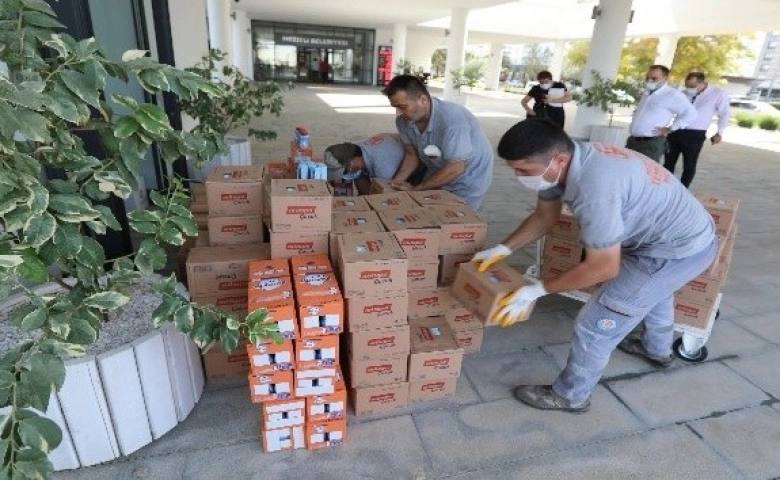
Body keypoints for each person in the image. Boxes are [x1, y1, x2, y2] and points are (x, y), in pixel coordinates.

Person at [472, 119, 717, 413]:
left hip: (675, 251)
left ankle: (571, 395)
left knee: (595, 326)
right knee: (653, 292)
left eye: (524, 171)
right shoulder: (565, 164)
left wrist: (535, 290)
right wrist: (503, 248)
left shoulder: (595, 187)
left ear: (558, 160)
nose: (518, 177)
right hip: (671, 237)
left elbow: (603, 268)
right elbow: (544, 218)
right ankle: (657, 350)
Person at [380, 74, 494, 211]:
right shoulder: (404, 122)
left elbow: (456, 168)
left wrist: (416, 190)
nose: (399, 112)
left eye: (403, 107)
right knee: (429, 215)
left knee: (458, 222)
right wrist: (395, 183)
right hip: (439, 170)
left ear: (423, 100)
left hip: (468, 178)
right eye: (395, 107)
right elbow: (412, 154)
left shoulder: (452, 122)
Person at [663, 72, 730, 188]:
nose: (689, 89)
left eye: (692, 86)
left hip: (695, 134)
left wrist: (719, 133)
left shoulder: (718, 94)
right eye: (687, 86)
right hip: (676, 131)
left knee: (689, 164)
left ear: (702, 83)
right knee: (668, 162)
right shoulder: (683, 93)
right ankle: (666, 188)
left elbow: (724, 114)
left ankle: (683, 190)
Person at [626, 65, 697, 162]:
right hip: (633, 142)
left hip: (650, 144)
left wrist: (671, 128)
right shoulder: (647, 93)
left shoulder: (672, 95)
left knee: (646, 174)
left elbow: (691, 114)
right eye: (648, 78)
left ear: (664, 78)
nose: (649, 80)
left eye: (654, 78)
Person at [324, 133, 407, 195]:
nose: (348, 171)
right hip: (390, 150)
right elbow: (345, 182)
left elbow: (387, 197)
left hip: (413, 167)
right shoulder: (356, 150)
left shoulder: (383, 170)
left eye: (345, 170)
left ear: (352, 163)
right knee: (355, 175)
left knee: (378, 195)